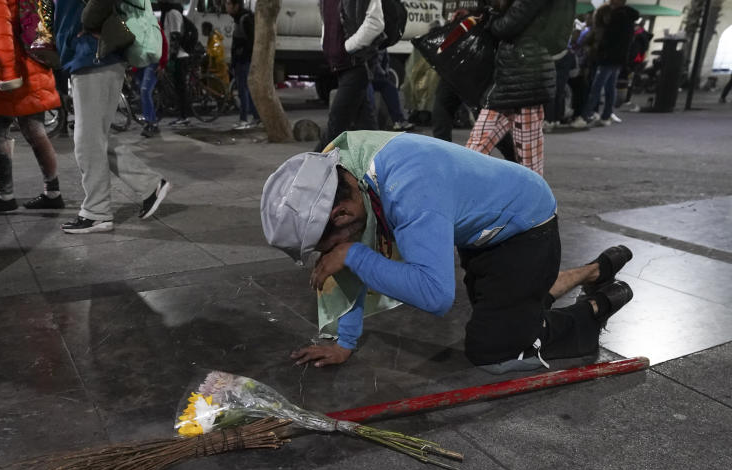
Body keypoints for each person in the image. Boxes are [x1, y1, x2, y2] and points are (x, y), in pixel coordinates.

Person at [260, 131, 634, 373]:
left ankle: (594, 309)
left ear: (340, 213)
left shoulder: (409, 189)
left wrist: (351, 255)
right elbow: (357, 249)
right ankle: (591, 271)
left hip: (526, 232)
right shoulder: (340, 166)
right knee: (506, 306)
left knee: (494, 352)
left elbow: (436, 295)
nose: (327, 255)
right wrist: (345, 341)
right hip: (483, 229)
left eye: (324, 246)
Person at [54, 0, 171, 233]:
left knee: (87, 141)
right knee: (96, 137)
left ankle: (97, 212)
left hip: (93, 54)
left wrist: (89, 21)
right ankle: (149, 185)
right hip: (88, 55)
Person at [0, 0, 63, 214]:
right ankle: (53, 192)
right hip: (31, 64)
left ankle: (5, 196)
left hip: (9, 69)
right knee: (34, 129)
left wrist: (5, 76)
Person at [465, 0, 575, 176]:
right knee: (478, 149)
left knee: (526, 161)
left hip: (524, 75)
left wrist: (493, 15)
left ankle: (534, 201)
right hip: (517, 77)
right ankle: (463, 192)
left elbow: (506, 27)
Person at [318, 0, 383, 149]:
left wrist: (349, 46)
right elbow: (328, 20)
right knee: (366, 126)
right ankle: (378, 164)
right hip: (340, 65)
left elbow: (376, 23)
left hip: (357, 63)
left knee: (336, 123)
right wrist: (325, 43)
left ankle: (311, 167)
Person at [579, 0, 638, 126]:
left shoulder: (616, 16)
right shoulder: (628, 16)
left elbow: (607, 38)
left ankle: (584, 116)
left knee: (597, 87)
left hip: (608, 57)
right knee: (610, 87)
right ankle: (606, 115)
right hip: (618, 58)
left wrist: (600, 50)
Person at [225, 0, 260, 129]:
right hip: (241, 61)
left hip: (244, 61)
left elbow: (251, 41)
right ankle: (256, 117)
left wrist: (241, 55)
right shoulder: (239, 18)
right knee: (247, 89)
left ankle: (244, 119)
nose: (226, 6)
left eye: (229, 4)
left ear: (236, 6)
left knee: (243, 90)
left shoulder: (244, 19)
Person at [159, 2, 192, 127]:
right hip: (175, 56)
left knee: (180, 88)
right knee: (178, 87)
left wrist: (171, 58)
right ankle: (182, 115)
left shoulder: (173, 13)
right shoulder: (168, 13)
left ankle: (184, 116)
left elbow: (175, 36)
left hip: (180, 56)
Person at [139, 19, 169, 138]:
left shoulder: (152, 22)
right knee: (143, 93)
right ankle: (152, 122)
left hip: (153, 62)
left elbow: (164, 43)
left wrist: (162, 64)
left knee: (145, 91)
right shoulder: (131, 22)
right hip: (140, 64)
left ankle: (151, 123)